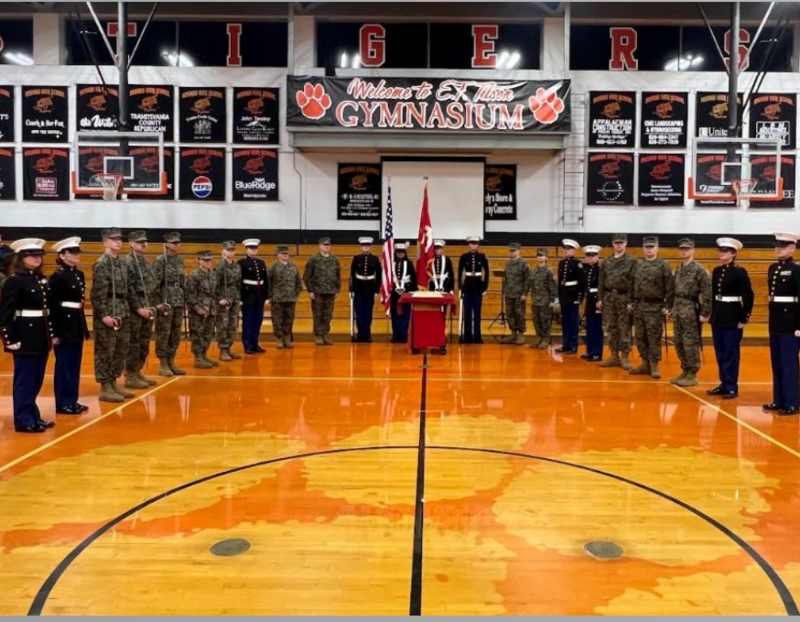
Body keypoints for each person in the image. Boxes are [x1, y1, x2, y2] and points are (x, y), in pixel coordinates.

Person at [1, 239, 55, 433]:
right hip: (24, 336)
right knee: (25, 380)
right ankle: (23, 420)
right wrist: (10, 339)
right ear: (22, 258)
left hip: (40, 336)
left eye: (39, 255)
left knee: (36, 379)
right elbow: (6, 314)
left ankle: (33, 415)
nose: (37, 258)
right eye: (32, 255)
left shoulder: (39, 279)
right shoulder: (14, 281)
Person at [91, 227, 134, 403]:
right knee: (105, 351)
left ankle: (114, 381)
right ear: (105, 242)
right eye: (113, 239)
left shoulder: (123, 263)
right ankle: (105, 386)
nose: (118, 241)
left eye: (120, 239)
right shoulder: (102, 263)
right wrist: (103, 315)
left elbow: (128, 288)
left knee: (120, 349)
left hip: (122, 310)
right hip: (109, 311)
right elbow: (97, 294)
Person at [708, 237, 754, 400]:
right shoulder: (717, 271)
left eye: (726, 251)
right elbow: (714, 295)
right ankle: (724, 383)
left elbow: (748, 295)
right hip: (719, 316)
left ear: (734, 254)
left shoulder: (739, 272)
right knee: (720, 352)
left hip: (732, 316)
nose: (722, 253)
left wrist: (744, 316)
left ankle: (731, 386)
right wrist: (711, 314)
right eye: (721, 250)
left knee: (730, 352)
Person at [49, 237, 90, 415]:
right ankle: (62, 402)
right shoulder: (57, 277)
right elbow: (53, 306)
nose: (76, 255)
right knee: (64, 366)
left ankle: (72, 400)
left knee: (74, 365)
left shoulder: (78, 274)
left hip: (76, 323)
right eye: (72, 253)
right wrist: (55, 332)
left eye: (77, 252)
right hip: (64, 325)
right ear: (62, 255)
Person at [763, 232, 800, 416]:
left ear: (793, 247)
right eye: (777, 245)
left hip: (790, 324)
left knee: (789, 363)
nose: (778, 248)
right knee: (776, 363)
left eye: (783, 245)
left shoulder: (797, 269)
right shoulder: (772, 268)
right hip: (776, 322)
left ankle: (792, 402)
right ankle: (779, 399)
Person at [629, 236, 673, 379]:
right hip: (639, 306)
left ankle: (654, 365)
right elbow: (631, 284)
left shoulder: (663, 265)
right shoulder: (637, 264)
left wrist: (668, 306)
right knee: (640, 336)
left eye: (652, 247)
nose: (649, 249)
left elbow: (670, 288)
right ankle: (644, 363)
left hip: (655, 306)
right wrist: (630, 302)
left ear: (657, 249)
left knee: (653, 337)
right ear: (643, 248)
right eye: (647, 247)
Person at [670, 238, 712, 387]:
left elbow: (707, 293)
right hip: (678, 308)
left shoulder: (699, 270)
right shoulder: (679, 268)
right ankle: (685, 369)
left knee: (690, 343)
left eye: (687, 249)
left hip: (690, 310)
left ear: (693, 250)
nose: (684, 251)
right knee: (678, 342)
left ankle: (693, 372)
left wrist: (705, 313)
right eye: (681, 248)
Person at [123, 230, 157, 390]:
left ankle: (137, 371)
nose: (144, 244)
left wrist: (151, 306)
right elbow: (128, 289)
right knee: (133, 343)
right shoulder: (127, 262)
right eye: (139, 242)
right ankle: (130, 374)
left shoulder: (145, 261)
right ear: (131, 244)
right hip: (134, 310)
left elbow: (150, 286)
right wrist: (138, 308)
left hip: (147, 307)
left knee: (144, 342)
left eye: (145, 241)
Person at [598, 234, 637, 370]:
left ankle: (625, 357)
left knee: (625, 328)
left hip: (624, 298)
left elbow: (634, 283)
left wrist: (631, 301)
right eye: (616, 243)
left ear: (626, 243)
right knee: (611, 328)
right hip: (609, 297)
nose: (619, 245)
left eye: (621, 242)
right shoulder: (607, 261)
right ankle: (614, 356)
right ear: (612, 244)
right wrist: (599, 298)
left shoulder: (632, 261)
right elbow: (601, 281)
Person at [152, 232, 186, 376]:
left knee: (175, 332)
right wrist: (157, 303)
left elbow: (182, 281)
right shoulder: (160, 261)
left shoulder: (179, 260)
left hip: (178, 300)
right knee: (164, 332)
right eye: (173, 243)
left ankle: (172, 359)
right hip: (166, 300)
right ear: (166, 244)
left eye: (178, 243)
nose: (176, 245)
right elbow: (154, 284)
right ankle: (163, 362)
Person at [304, 237, 341, 346]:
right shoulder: (314, 259)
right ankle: (318, 334)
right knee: (318, 314)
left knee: (328, 315)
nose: (326, 247)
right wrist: (310, 290)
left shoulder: (334, 260)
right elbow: (307, 276)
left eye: (328, 245)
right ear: (320, 246)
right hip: (317, 292)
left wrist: (337, 290)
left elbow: (337, 276)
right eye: (324, 245)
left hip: (330, 292)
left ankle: (325, 333)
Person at [186, 250, 219, 369]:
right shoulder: (194, 275)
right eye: (205, 260)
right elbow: (189, 294)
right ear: (199, 260)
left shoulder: (212, 274)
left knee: (208, 333)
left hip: (211, 309)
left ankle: (204, 354)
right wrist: (196, 308)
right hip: (198, 310)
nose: (208, 262)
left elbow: (214, 292)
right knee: (197, 333)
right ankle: (198, 358)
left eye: (209, 260)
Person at [238, 239, 270, 354]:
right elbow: (240, 281)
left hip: (259, 296)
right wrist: (240, 298)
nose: (254, 250)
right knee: (248, 322)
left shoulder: (261, 263)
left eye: (255, 248)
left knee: (257, 322)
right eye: (251, 248)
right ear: (246, 249)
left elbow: (265, 280)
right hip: (247, 296)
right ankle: (247, 345)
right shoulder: (241, 263)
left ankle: (255, 344)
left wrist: (266, 296)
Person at [268, 246, 303, 349]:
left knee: (289, 320)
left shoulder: (293, 267)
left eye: (286, 253)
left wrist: (296, 294)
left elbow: (298, 283)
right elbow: (268, 283)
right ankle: (279, 339)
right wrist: (270, 296)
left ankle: (287, 339)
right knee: (277, 320)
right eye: (283, 253)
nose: (285, 255)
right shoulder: (273, 267)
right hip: (277, 299)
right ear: (278, 254)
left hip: (290, 298)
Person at [349, 237, 382, 343]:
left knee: (368, 312)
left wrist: (377, 290)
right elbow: (352, 275)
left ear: (371, 246)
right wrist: (351, 289)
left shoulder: (375, 259)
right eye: (364, 245)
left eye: (368, 245)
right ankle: (360, 333)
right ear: (361, 247)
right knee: (359, 312)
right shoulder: (356, 259)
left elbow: (379, 276)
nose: (366, 247)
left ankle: (367, 334)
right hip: (358, 288)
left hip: (370, 288)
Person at [458, 236, 489, 344]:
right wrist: (460, 288)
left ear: (478, 244)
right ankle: (467, 337)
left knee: (477, 314)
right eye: (471, 243)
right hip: (467, 288)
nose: (473, 245)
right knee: (467, 314)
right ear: (469, 244)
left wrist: (485, 287)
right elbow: (459, 273)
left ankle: (477, 337)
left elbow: (487, 272)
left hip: (478, 288)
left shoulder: (482, 257)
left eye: (475, 243)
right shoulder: (464, 257)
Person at [215, 240, 242, 361]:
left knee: (232, 324)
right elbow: (215, 284)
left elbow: (239, 283)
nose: (230, 252)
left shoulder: (236, 266)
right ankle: (223, 349)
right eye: (228, 250)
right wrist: (219, 298)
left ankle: (229, 347)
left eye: (232, 250)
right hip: (224, 299)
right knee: (223, 324)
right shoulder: (220, 266)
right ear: (223, 251)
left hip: (235, 298)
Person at [557, 239, 585, 354]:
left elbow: (581, 283)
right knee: (565, 322)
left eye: (568, 249)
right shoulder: (562, 263)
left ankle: (573, 345)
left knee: (573, 322)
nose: (566, 251)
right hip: (564, 296)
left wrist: (579, 298)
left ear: (573, 250)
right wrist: (559, 296)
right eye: (565, 249)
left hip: (573, 296)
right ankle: (565, 344)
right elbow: (560, 281)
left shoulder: (577, 264)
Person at [427, 240, 455, 354]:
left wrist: (451, 290)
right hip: (433, 290)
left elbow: (451, 274)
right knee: (434, 315)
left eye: (439, 248)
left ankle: (442, 338)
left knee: (443, 316)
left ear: (442, 249)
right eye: (436, 248)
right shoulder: (430, 260)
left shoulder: (447, 260)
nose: (438, 250)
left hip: (444, 290)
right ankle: (434, 338)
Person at [501, 243, 530, 346]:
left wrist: (525, 293)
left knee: (520, 314)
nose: (512, 252)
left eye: (514, 250)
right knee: (510, 314)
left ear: (519, 250)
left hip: (519, 294)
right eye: (511, 251)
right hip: (509, 293)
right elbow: (506, 278)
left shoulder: (523, 263)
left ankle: (521, 334)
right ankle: (513, 333)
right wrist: (505, 290)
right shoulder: (508, 263)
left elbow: (527, 279)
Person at [528, 248, 557, 349]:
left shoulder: (549, 271)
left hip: (545, 301)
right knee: (536, 320)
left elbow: (553, 287)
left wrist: (553, 300)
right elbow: (530, 284)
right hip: (535, 300)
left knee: (545, 320)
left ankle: (545, 338)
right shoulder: (533, 271)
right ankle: (539, 337)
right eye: (538, 256)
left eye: (542, 256)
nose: (540, 257)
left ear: (546, 258)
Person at [390, 242, 417, 343]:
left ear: (405, 252)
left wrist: (413, 292)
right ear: (395, 252)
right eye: (398, 251)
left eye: (402, 251)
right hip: (394, 293)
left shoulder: (409, 264)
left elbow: (414, 279)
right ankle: (396, 335)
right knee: (395, 314)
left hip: (406, 292)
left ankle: (405, 335)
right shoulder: (391, 264)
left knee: (405, 314)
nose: (400, 253)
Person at [582, 245, 604, 362]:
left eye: (593, 255)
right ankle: (589, 351)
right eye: (588, 255)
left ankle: (596, 353)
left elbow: (602, 286)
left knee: (596, 327)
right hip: (590, 299)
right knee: (589, 326)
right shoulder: (587, 269)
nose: (590, 258)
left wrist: (600, 300)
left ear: (597, 256)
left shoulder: (600, 269)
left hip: (597, 300)